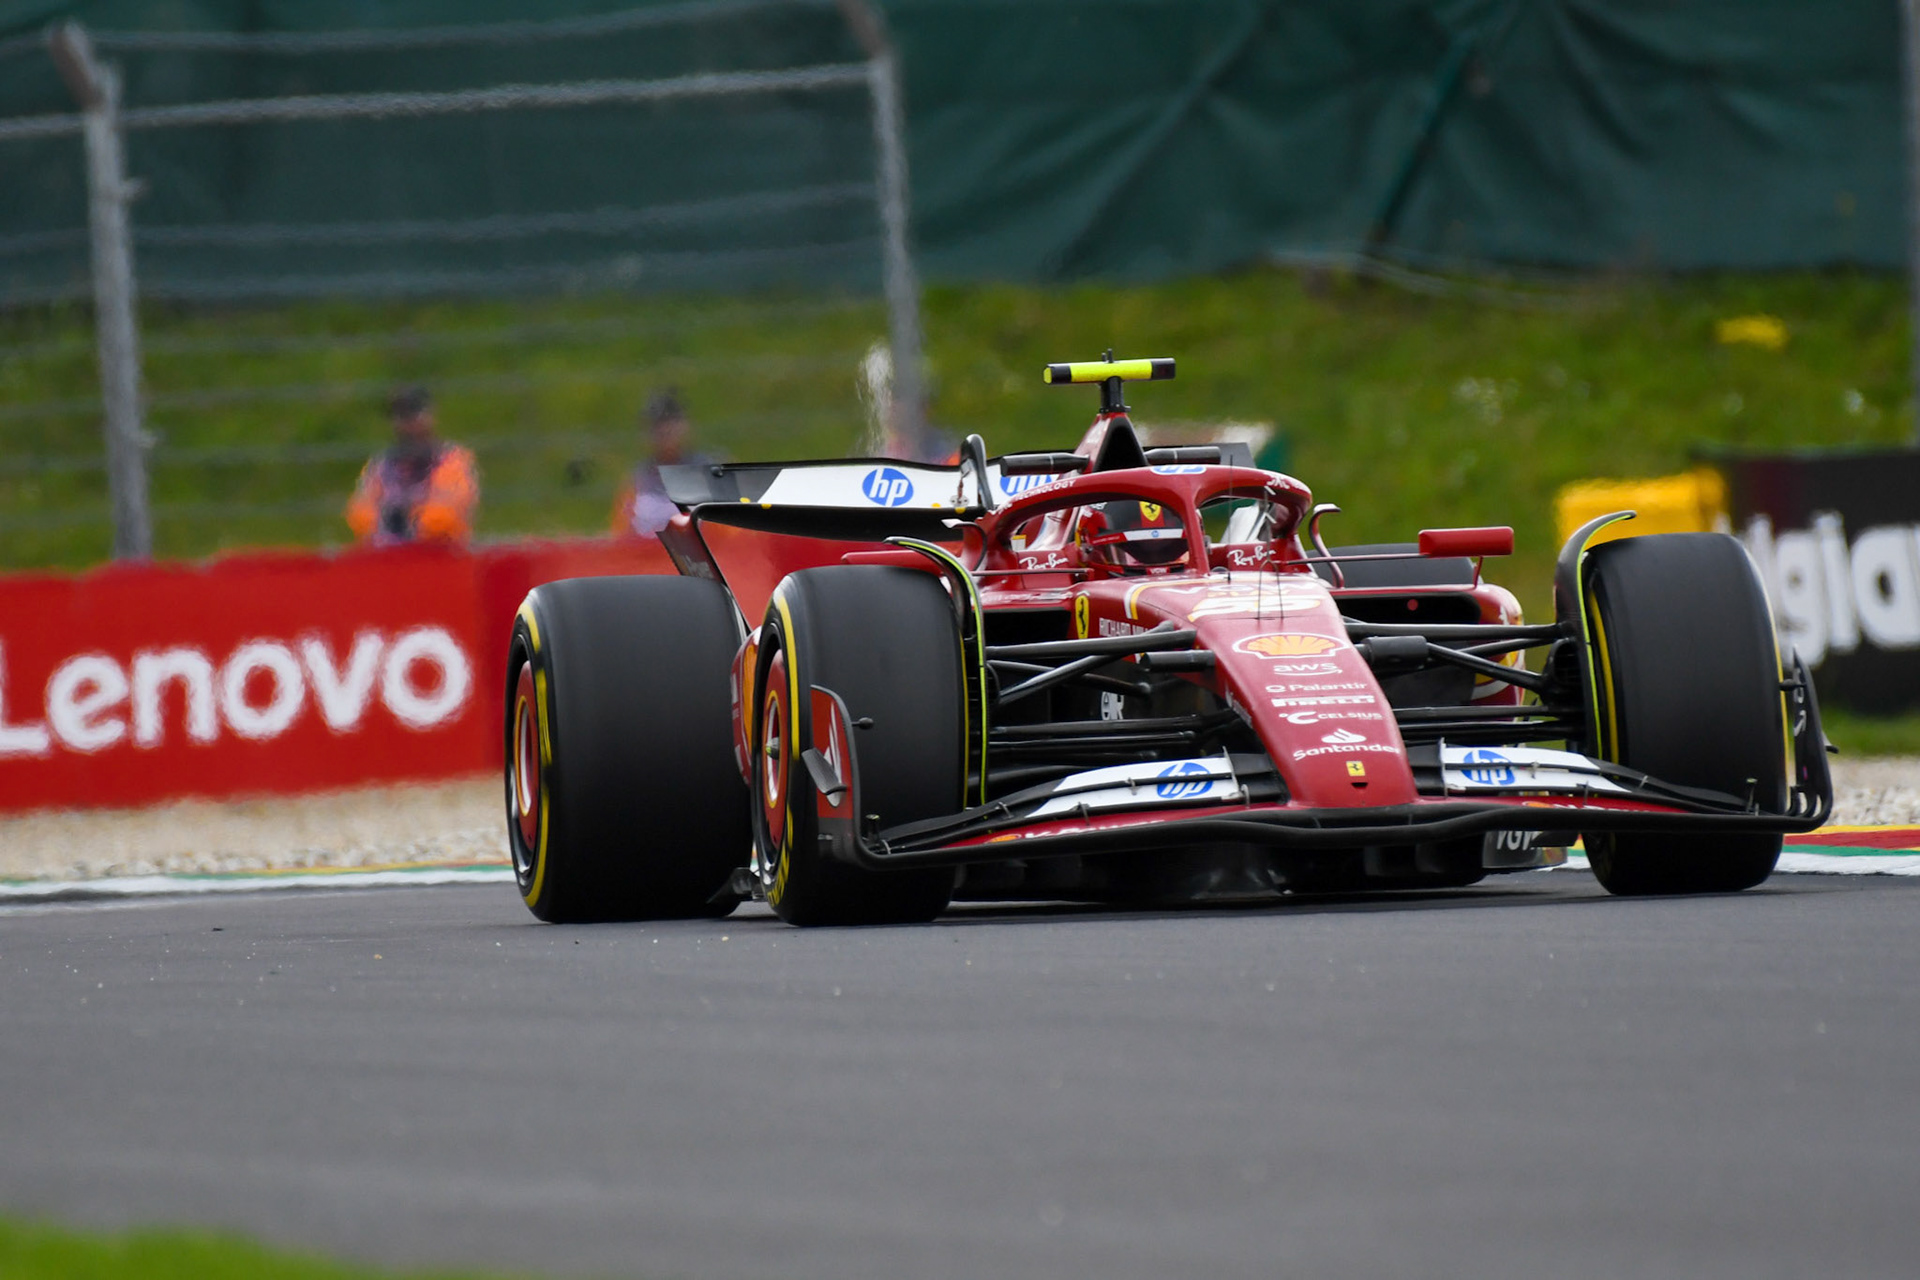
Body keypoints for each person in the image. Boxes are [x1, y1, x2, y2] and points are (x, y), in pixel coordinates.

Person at [345, 386, 479, 546]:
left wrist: (402, 521)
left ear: (431, 416)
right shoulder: (381, 465)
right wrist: (390, 523)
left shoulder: (452, 460)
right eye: (400, 415)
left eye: (414, 414)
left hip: (442, 556)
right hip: (388, 557)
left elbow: (446, 516)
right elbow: (359, 515)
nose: (408, 423)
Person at [611, 388, 712, 538]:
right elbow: (620, 536)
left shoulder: (708, 473)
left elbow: (731, 533)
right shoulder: (637, 481)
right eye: (657, 425)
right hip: (647, 557)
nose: (665, 431)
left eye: (671, 423)